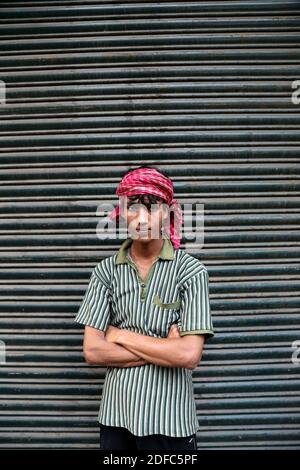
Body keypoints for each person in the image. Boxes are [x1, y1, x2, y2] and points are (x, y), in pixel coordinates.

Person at [74, 166, 214, 450]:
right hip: (116, 418)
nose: (141, 218)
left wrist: (119, 335)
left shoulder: (190, 272)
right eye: (132, 208)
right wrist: (165, 348)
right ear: (121, 212)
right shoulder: (105, 272)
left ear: (169, 212)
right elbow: (92, 350)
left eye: (152, 208)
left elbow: (188, 355)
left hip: (171, 420)